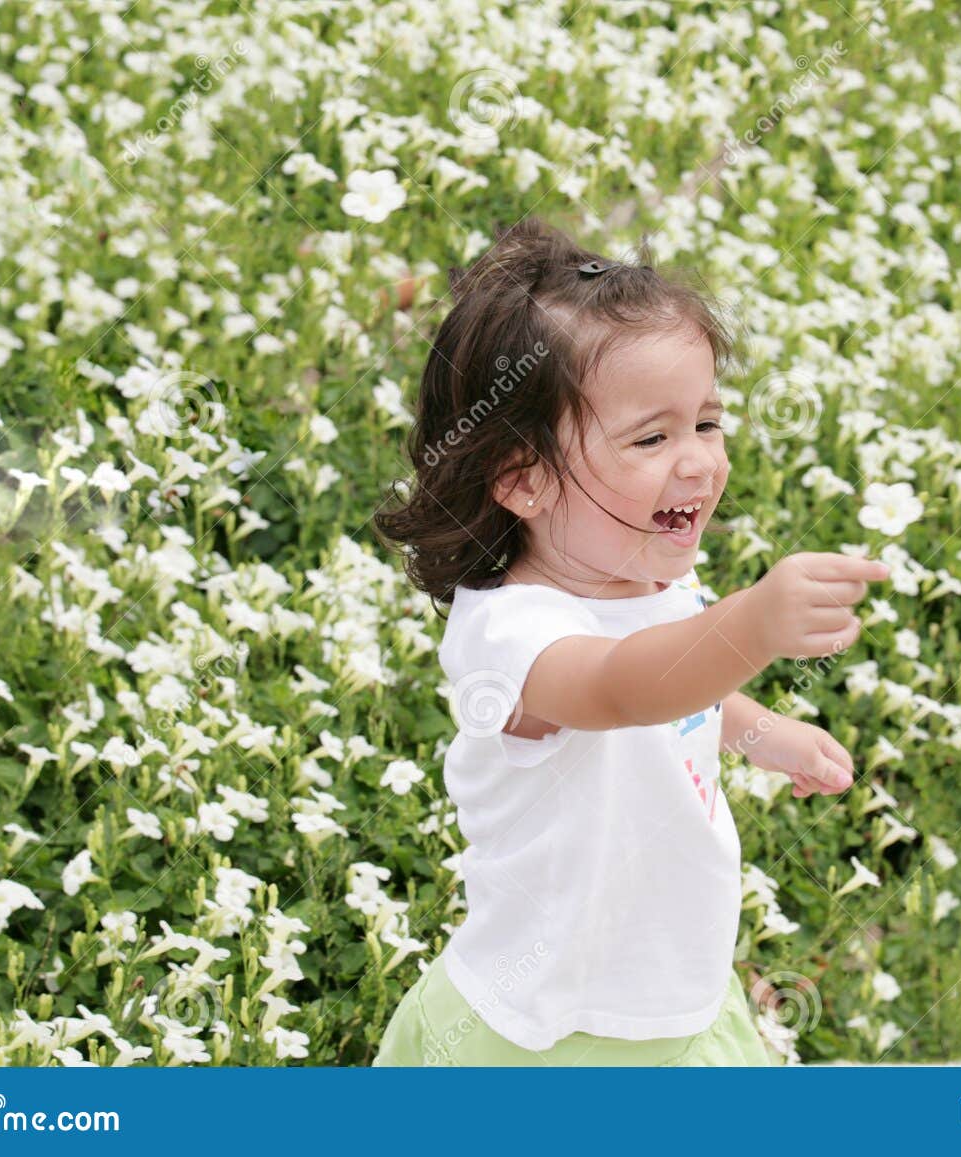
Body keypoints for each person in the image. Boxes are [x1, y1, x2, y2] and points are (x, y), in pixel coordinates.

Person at [369, 216, 890, 1065]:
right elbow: (623, 687)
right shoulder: (512, 634)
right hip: (551, 1029)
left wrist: (763, 732)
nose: (697, 462)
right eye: (652, 437)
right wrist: (754, 622)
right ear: (521, 478)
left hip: (672, 984)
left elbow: (686, 690)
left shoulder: (653, 580)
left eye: (707, 424)